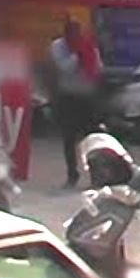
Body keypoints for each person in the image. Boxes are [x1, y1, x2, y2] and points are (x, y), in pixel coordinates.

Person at [47, 20, 105, 188]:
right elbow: (64, 68)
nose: (75, 37)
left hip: (86, 97)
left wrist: (87, 54)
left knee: (91, 138)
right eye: (71, 34)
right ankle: (72, 175)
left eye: (77, 34)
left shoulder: (87, 44)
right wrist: (78, 54)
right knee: (69, 138)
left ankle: (96, 176)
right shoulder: (58, 46)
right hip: (68, 97)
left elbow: (99, 67)